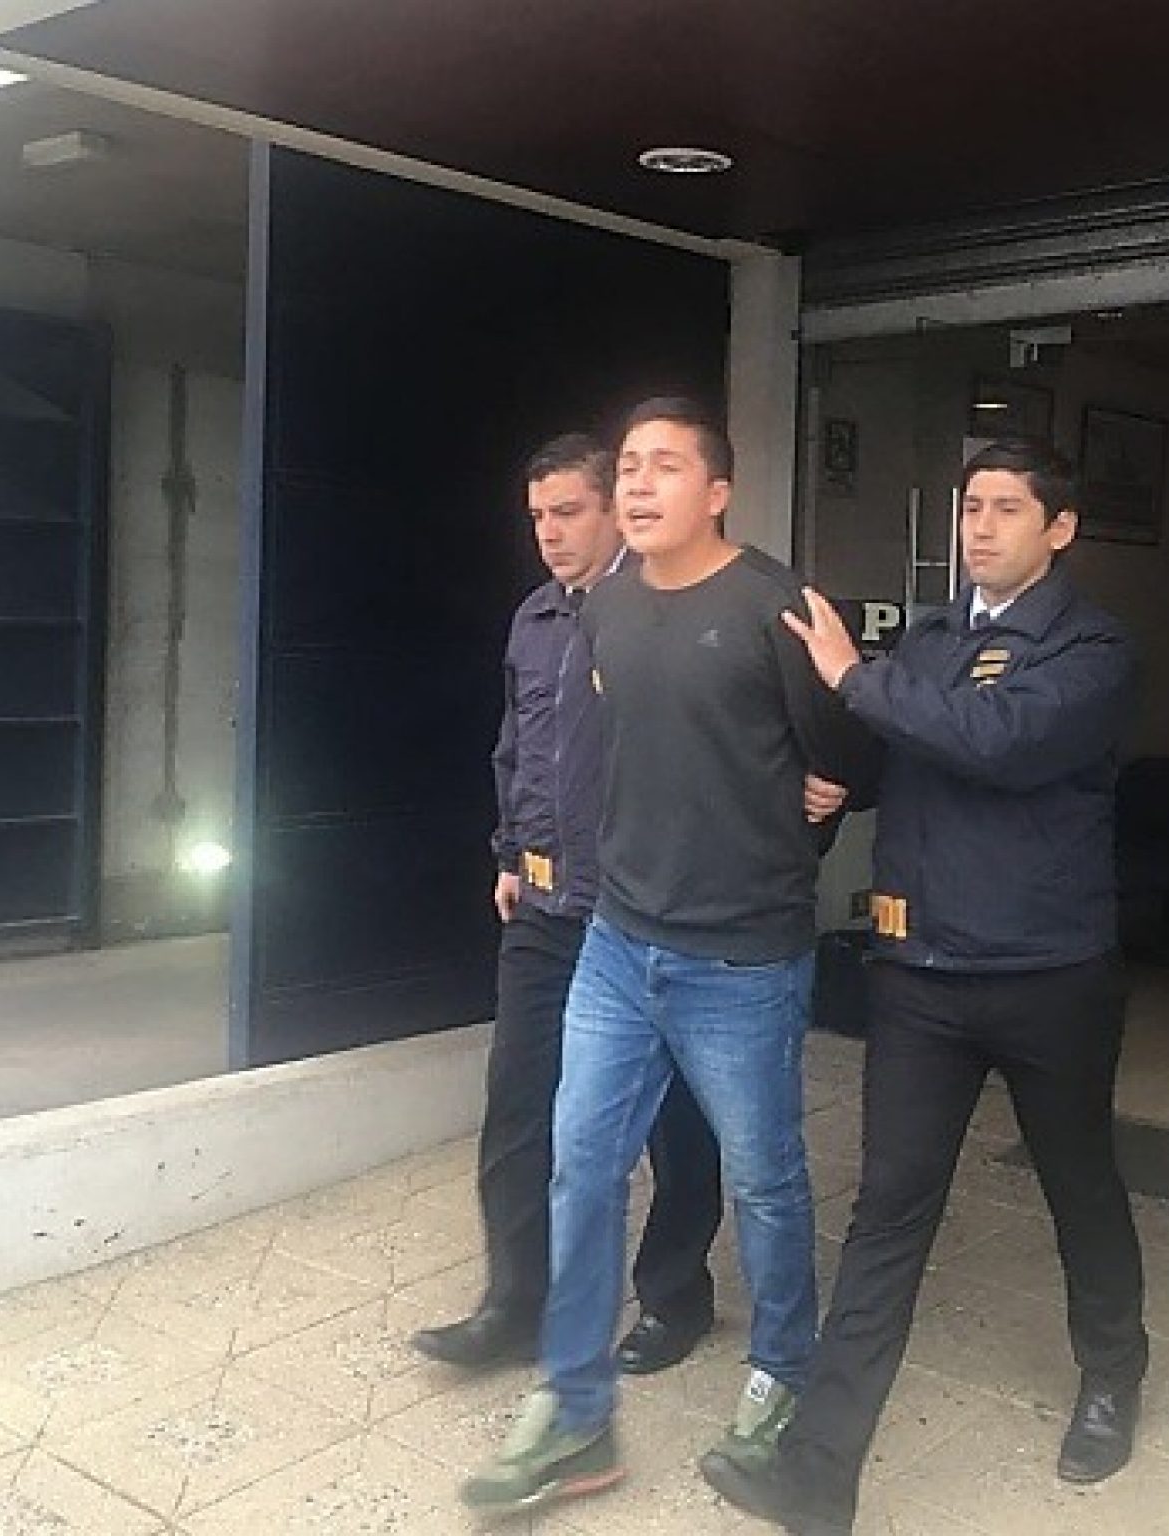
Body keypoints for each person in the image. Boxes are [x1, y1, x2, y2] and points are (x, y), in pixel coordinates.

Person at [704, 436, 1148, 1535]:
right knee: (887, 1215)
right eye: (970, 506)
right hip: (921, 978)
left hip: (1049, 975)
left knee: (1078, 1185)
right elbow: (898, 748)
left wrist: (855, 678)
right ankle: (818, 1475)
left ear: (1060, 528)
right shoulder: (935, 637)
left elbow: (997, 743)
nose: (979, 526)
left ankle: (1112, 1374)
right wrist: (836, 778)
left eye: (1006, 508)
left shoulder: (1094, 649)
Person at [459, 398, 874, 1518]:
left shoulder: (775, 605)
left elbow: (851, 754)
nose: (639, 486)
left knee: (766, 1179)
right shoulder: (606, 611)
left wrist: (827, 790)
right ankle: (574, 1411)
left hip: (741, 957)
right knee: (581, 1164)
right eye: (630, 466)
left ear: (719, 492)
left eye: (665, 467)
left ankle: (782, 1379)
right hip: (618, 940)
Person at [411, 432, 722, 1377]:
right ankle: (516, 1304)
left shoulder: (659, 611)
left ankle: (675, 1298)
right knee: (519, 1104)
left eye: (569, 512)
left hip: (641, 909)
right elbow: (519, 746)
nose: (550, 532)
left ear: (613, 511)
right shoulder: (536, 617)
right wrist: (512, 851)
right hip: (545, 907)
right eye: (538, 517)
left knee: (671, 1114)